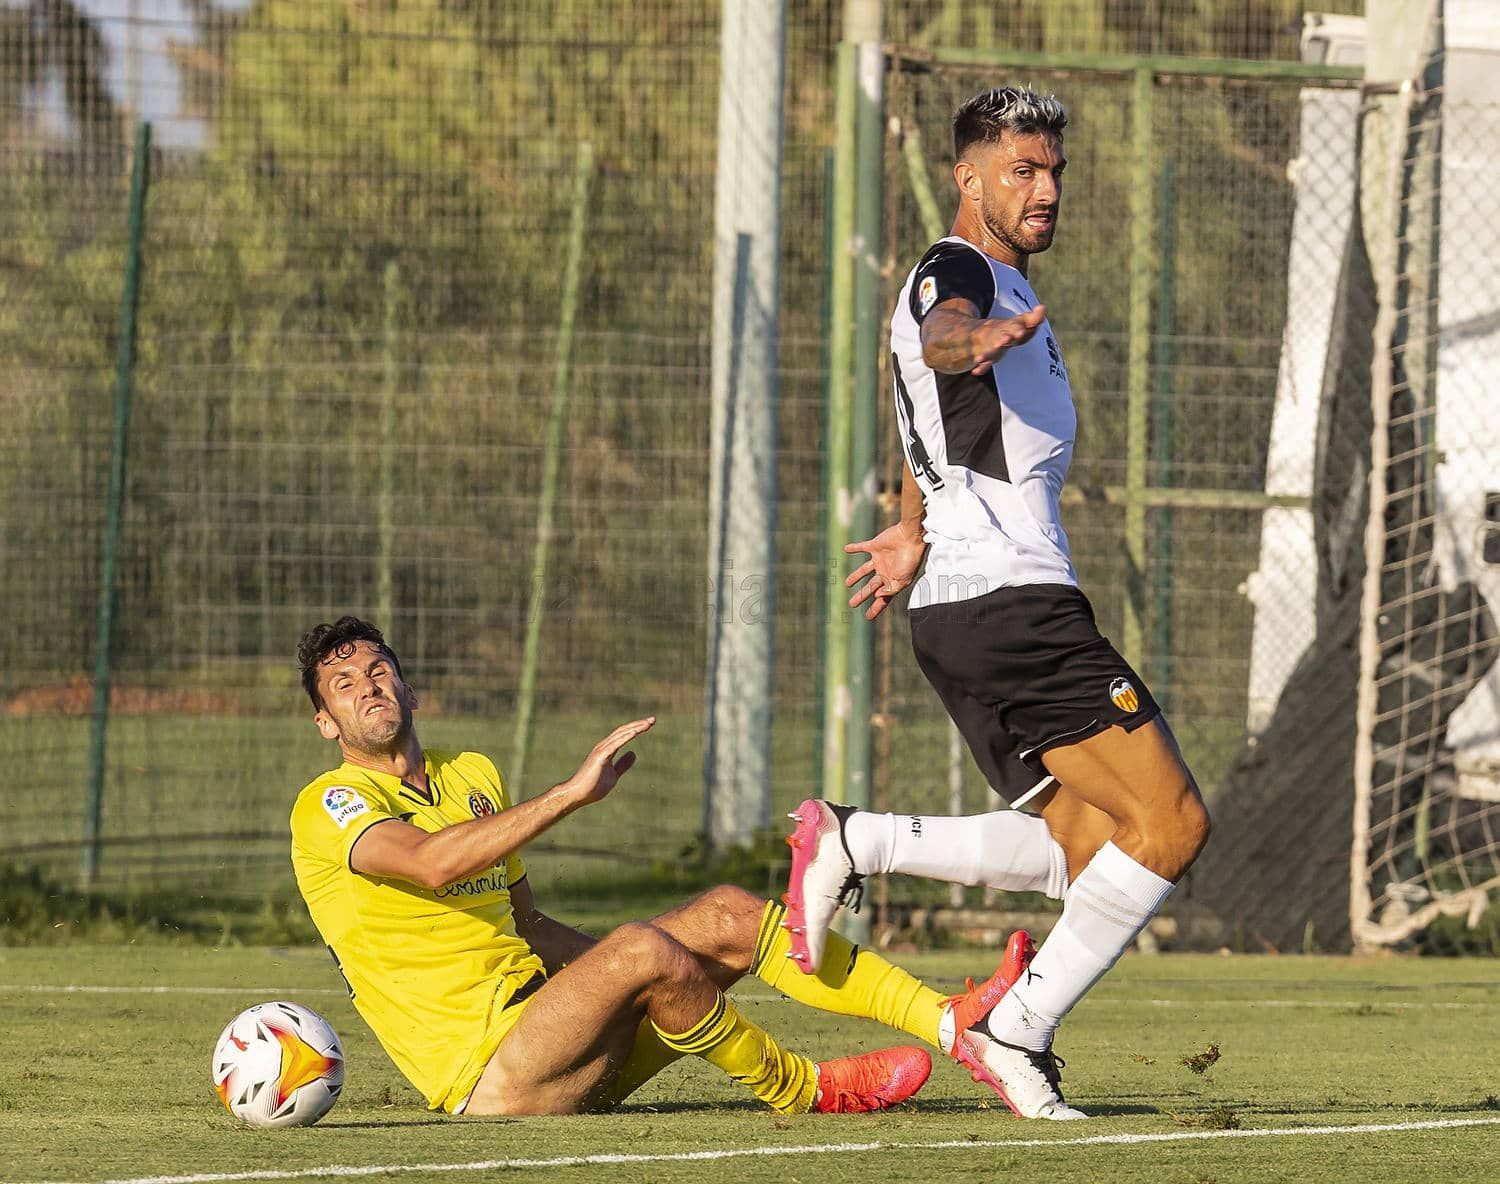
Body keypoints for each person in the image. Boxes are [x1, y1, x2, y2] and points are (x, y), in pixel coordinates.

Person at [781, 86, 1211, 1121]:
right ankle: (1010, 1027)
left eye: (1054, 169)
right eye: (1022, 169)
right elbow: (940, 341)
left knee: (1086, 847)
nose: (1045, 187)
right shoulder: (961, 273)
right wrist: (972, 340)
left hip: (964, 608)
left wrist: (914, 525)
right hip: (1016, 606)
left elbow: (931, 412)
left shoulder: (1005, 287)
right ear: (967, 177)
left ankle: (859, 838)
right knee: (1173, 823)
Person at [289, 615, 1036, 1117]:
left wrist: (656, 966)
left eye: (378, 670)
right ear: (327, 723)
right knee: (645, 949)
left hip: (555, 1025)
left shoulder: (472, 774)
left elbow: (527, 923)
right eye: (344, 687)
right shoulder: (331, 803)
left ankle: (952, 1023)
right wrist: (571, 799)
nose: (369, 689)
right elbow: (428, 865)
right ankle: (805, 1090)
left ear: (408, 685)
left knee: (728, 914)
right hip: (489, 1074)